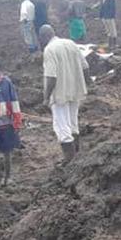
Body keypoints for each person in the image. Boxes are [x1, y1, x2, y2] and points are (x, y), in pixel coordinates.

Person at [39, 25, 90, 164]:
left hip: (60, 93)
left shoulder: (49, 50)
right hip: (75, 89)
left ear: (43, 37)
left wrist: (46, 97)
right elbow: (85, 66)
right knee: (73, 123)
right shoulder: (70, 43)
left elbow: (51, 77)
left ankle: (69, 160)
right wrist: (88, 84)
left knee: (61, 126)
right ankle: (77, 155)